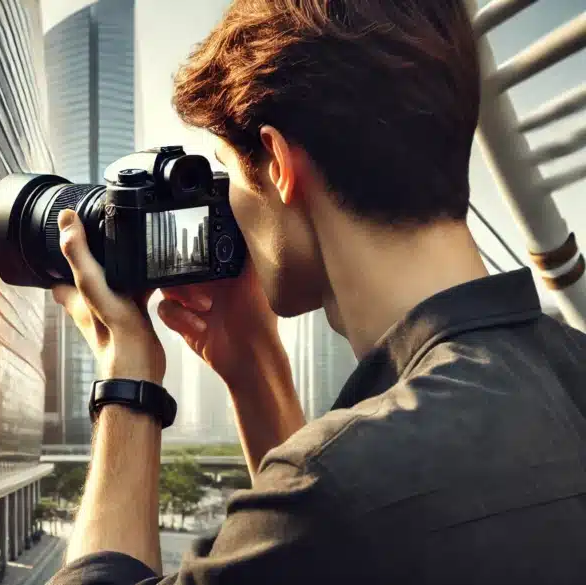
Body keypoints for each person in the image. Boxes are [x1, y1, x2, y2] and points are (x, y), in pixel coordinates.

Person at [46, 0, 586, 583]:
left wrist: (127, 373)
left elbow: (335, 508)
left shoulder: (338, 487)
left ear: (277, 162)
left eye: (228, 174)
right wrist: (256, 366)